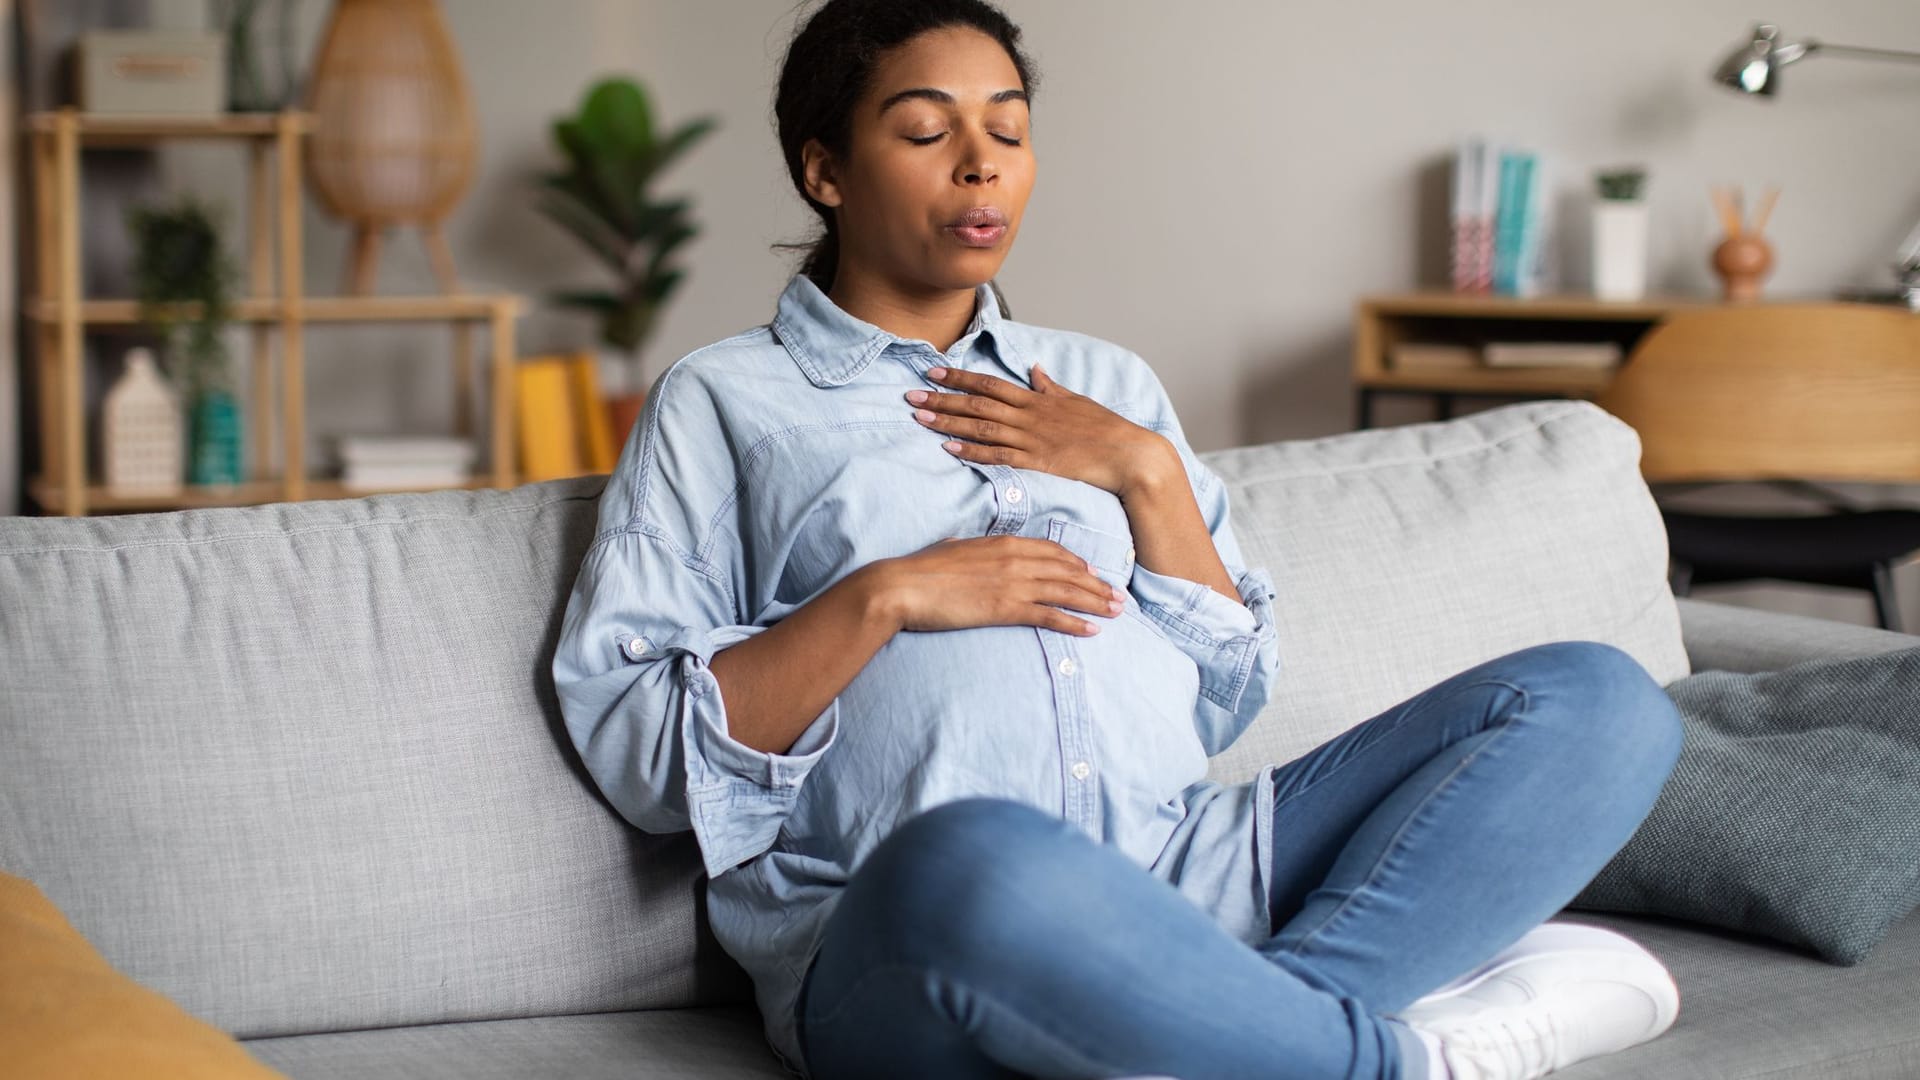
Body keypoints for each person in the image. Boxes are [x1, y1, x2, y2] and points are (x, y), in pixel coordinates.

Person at [550, 2, 1687, 1077]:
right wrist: (883, 598)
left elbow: (1220, 698)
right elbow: (639, 746)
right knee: (976, 853)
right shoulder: (725, 399)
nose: (982, 164)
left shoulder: (1108, 385)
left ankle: (1229, 1029)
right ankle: (1381, 1058)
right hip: (910, 924)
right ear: (826, 170)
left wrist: (1145, 472)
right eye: (928, 131)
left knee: (1599, 701)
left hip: (1191, 870)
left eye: (1008, 130)